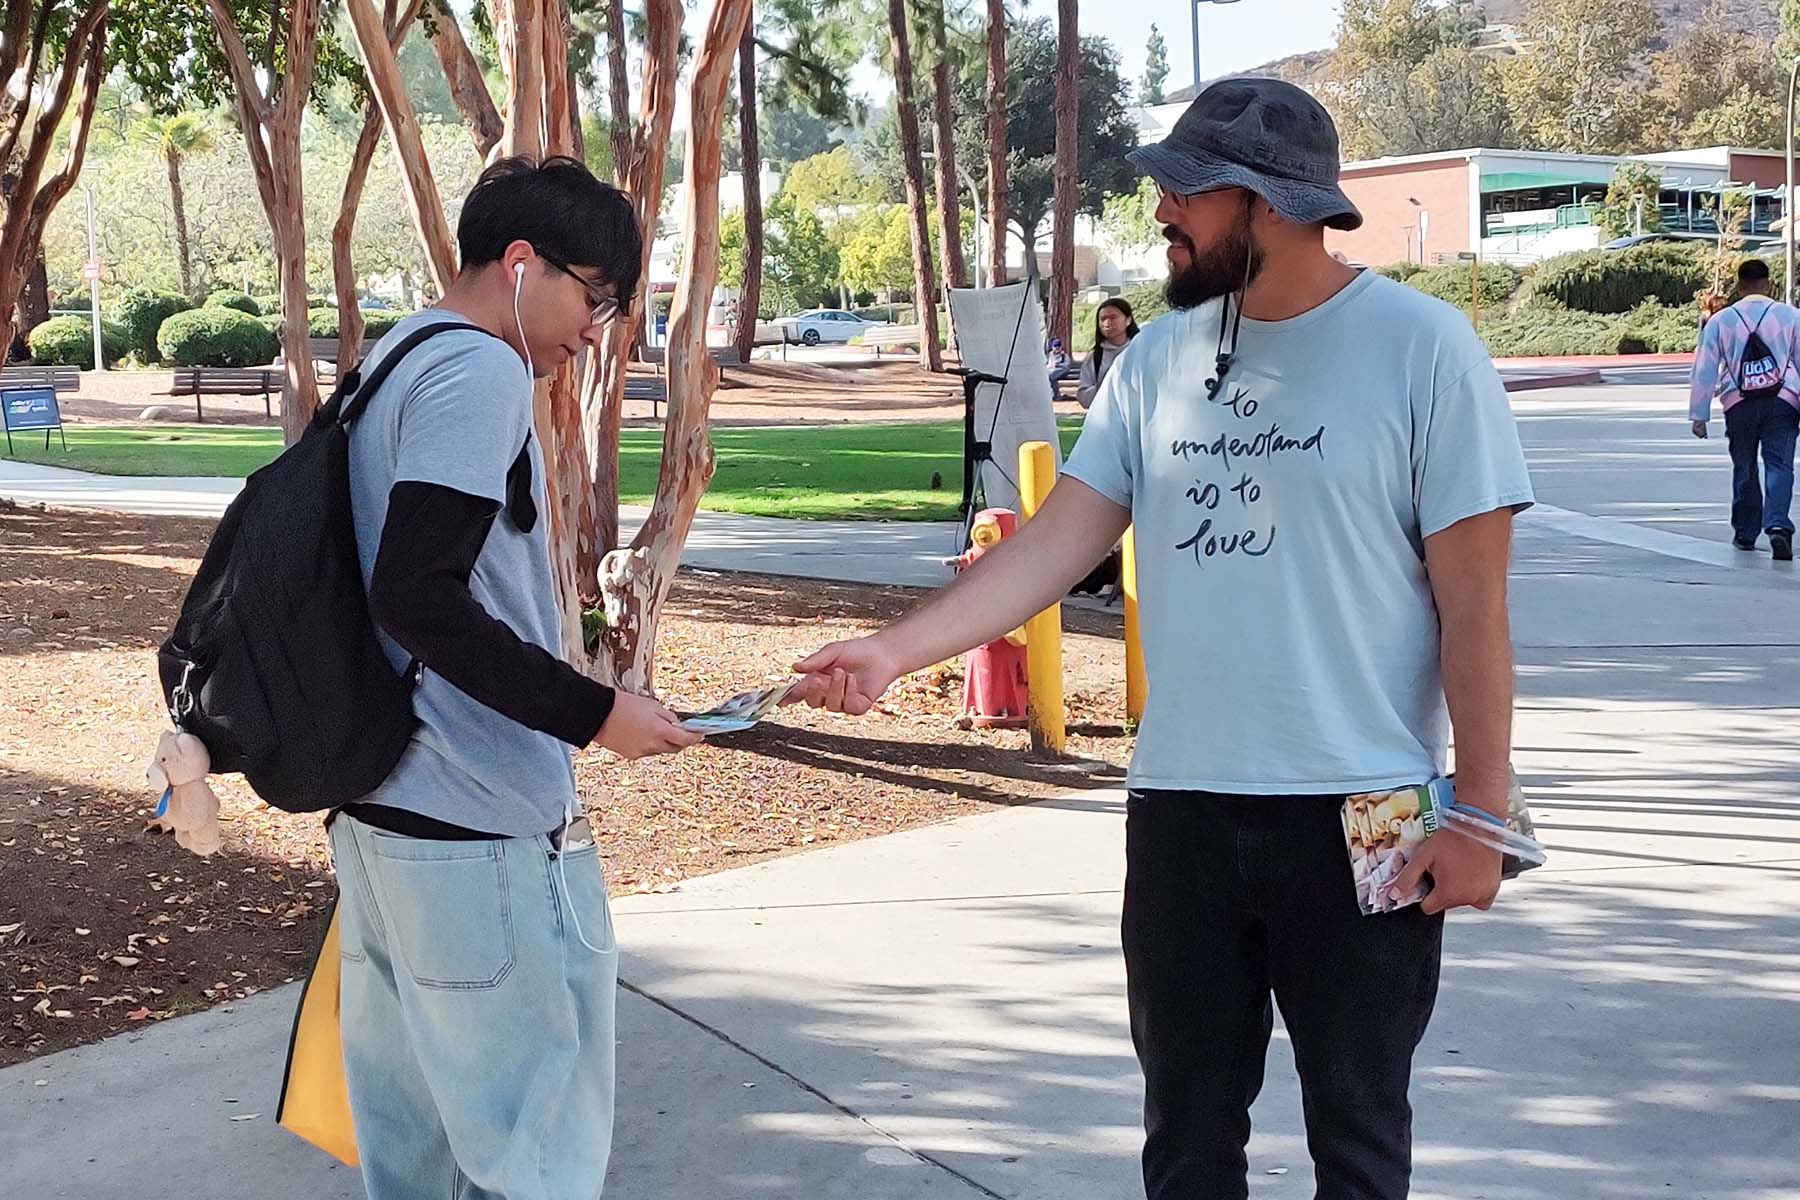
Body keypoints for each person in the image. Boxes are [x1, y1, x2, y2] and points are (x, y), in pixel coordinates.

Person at [791, 77, 1533, 1200]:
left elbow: (1475, 605)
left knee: (1360, 1143)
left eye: (1188, 190)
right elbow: (1054, 545)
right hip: (1182, 811)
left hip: (1367, 816)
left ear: (1268, 203)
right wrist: (893, 653)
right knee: (1185, 1146)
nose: (1162, 212)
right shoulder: (1155, 363)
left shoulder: (1424, 349)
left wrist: (1480, 813)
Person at [332, 155, 702, 1200]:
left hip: (382, 812)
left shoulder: (395, 356)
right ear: (522, 262)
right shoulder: (477, 371)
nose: (595, 332)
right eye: (595, 298)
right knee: (531, 1156)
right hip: (475, 817)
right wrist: (595, 713)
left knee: (415, 1156)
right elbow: (419, 596)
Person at [1690, 257, 1800, 560]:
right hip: (1783, 402)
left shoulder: (1721, 321)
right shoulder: (1791, 316)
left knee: (1745, 465)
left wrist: (1699, 415)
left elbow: (1704, 368)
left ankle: (1745, 531)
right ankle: (1777, 527)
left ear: (1739, 286)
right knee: (1780, 464)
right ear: (1769, 285)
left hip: (1738, 403)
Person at [1076, 297, 1141, 409]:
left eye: (1113, 318)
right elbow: (1084, 399)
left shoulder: (1141, 350)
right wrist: (1104, 384)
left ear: (1128, 320)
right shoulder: (1095, 357)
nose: (1107, 323)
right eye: (1103, 319)